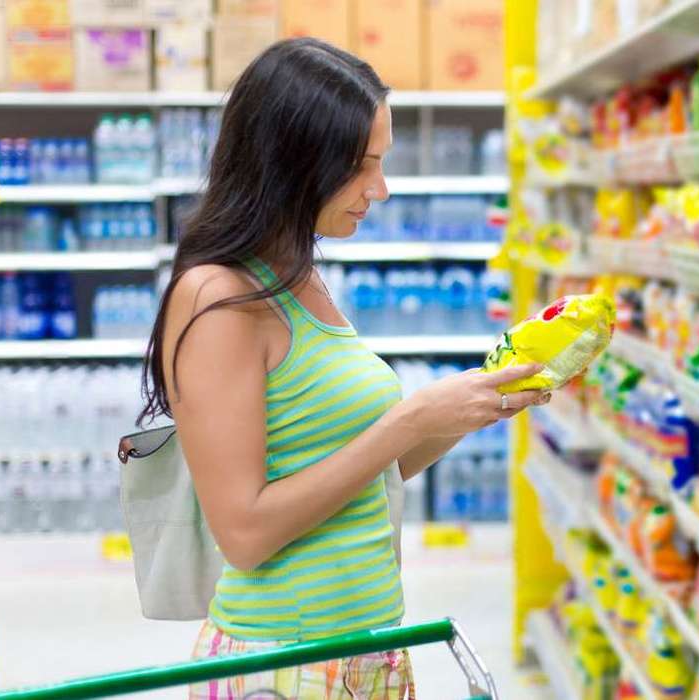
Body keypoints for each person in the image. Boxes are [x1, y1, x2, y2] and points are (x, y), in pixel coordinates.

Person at [139, 38, 547, 699]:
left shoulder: (298, 278)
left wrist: (482, 402)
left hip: (364, 650)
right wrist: (406, 420)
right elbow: (243, 533)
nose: (379, 190)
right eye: (360, 167)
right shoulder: (217, 297)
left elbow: (359, 474)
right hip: (280, 662)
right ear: (293, 163)